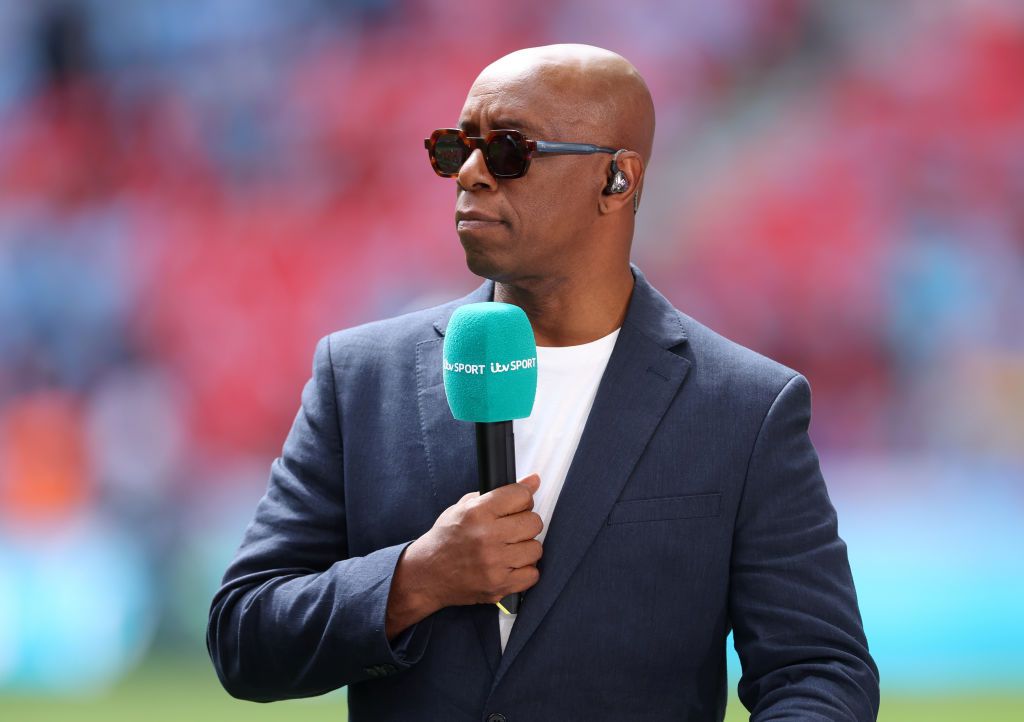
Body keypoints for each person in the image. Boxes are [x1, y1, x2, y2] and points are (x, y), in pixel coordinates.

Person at [206, 44, 880, 721]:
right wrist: (414, 579)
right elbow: (244, 638)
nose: (469, 174)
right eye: (453, 148)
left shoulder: (746, 407)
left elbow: (817, 671)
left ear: (616, 179)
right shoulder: (358, 378)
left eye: (507, 150)